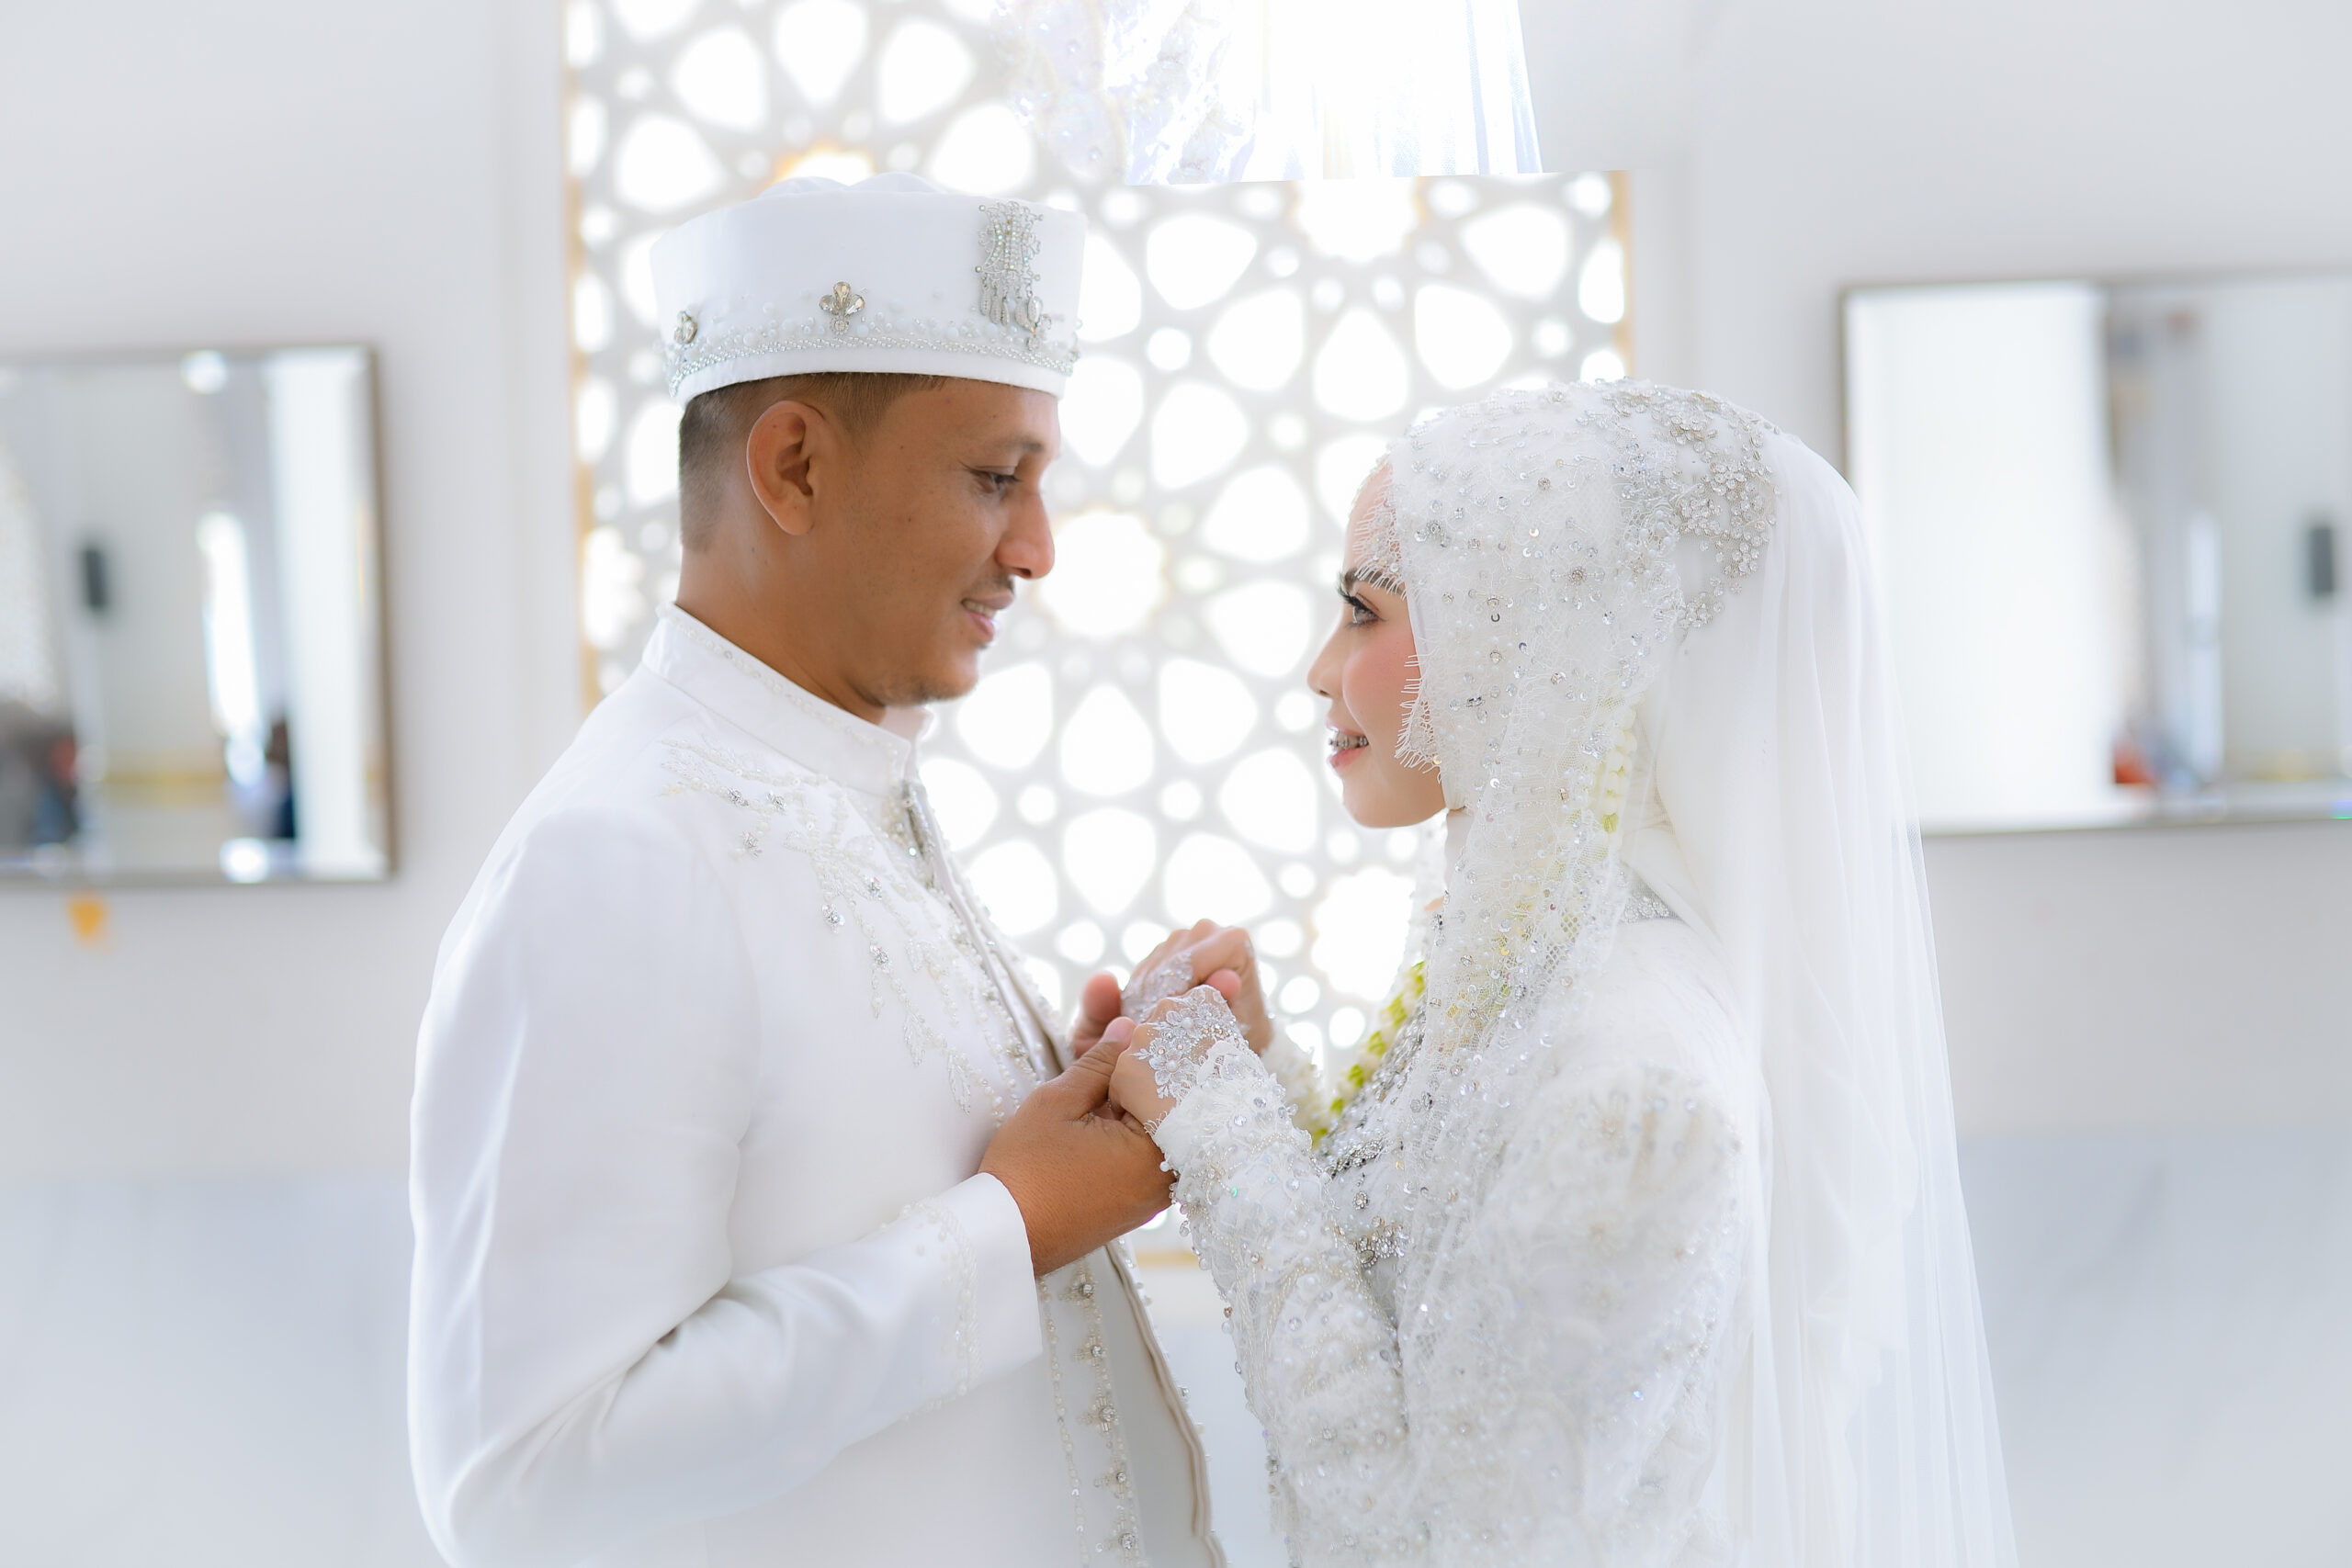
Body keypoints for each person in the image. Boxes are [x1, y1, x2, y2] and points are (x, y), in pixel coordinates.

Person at [408, 174, 1231, 1567]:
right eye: (996, 478)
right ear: (792, 467)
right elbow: (524, 1491)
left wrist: (1095, 1094)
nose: (1036, 550)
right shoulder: (619, 859)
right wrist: (1010, 1228)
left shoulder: (848, 783)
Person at [1102, 382, 2018, 1565]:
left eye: (1364, 612)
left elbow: (1433, 1546)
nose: (1322, 669)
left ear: (1538, 642)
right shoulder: (1528, 961)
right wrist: (1260, 1070)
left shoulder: (1639, 1093)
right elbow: (1416, 1286)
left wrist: (1223, 1133)